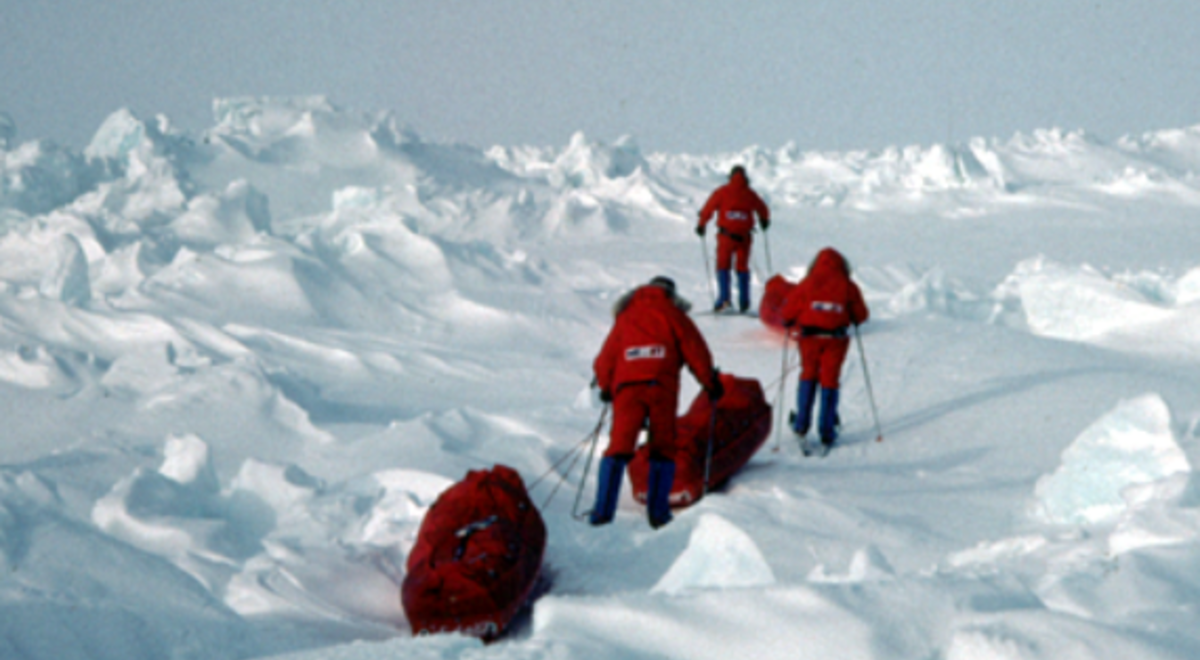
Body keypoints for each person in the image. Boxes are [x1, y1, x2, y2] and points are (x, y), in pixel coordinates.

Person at [591, 275, 724, 528]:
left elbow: (605, 358)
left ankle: (602, 513)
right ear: (670, 294)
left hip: (627, 389)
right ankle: (659, 514)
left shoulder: (625, 317)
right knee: (663, 449)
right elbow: (695, 350)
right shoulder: (674, 314)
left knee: (618, 448)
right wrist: (710, 382)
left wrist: (605, 386)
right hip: (660, 388)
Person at [779, 248, 869, 451]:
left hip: (809, 338)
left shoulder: (807, 283)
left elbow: (788, 311)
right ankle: (827, 430)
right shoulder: (848, 285)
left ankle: (801, 425)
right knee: (830, 379)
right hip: (836, 340)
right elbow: (861, 315)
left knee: (808, 374)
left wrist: (787, 320)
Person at [696, 165, 771, 312]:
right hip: (744, 238)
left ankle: (724, 300)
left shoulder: (722, 192)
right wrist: (764, 221)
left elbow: (708, 208)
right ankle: (744, 302)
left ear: (730, 177)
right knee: (742, 267)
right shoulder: (750, 194)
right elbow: (763, 209)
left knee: (723, 266)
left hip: (726, 237)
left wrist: (701, 225)